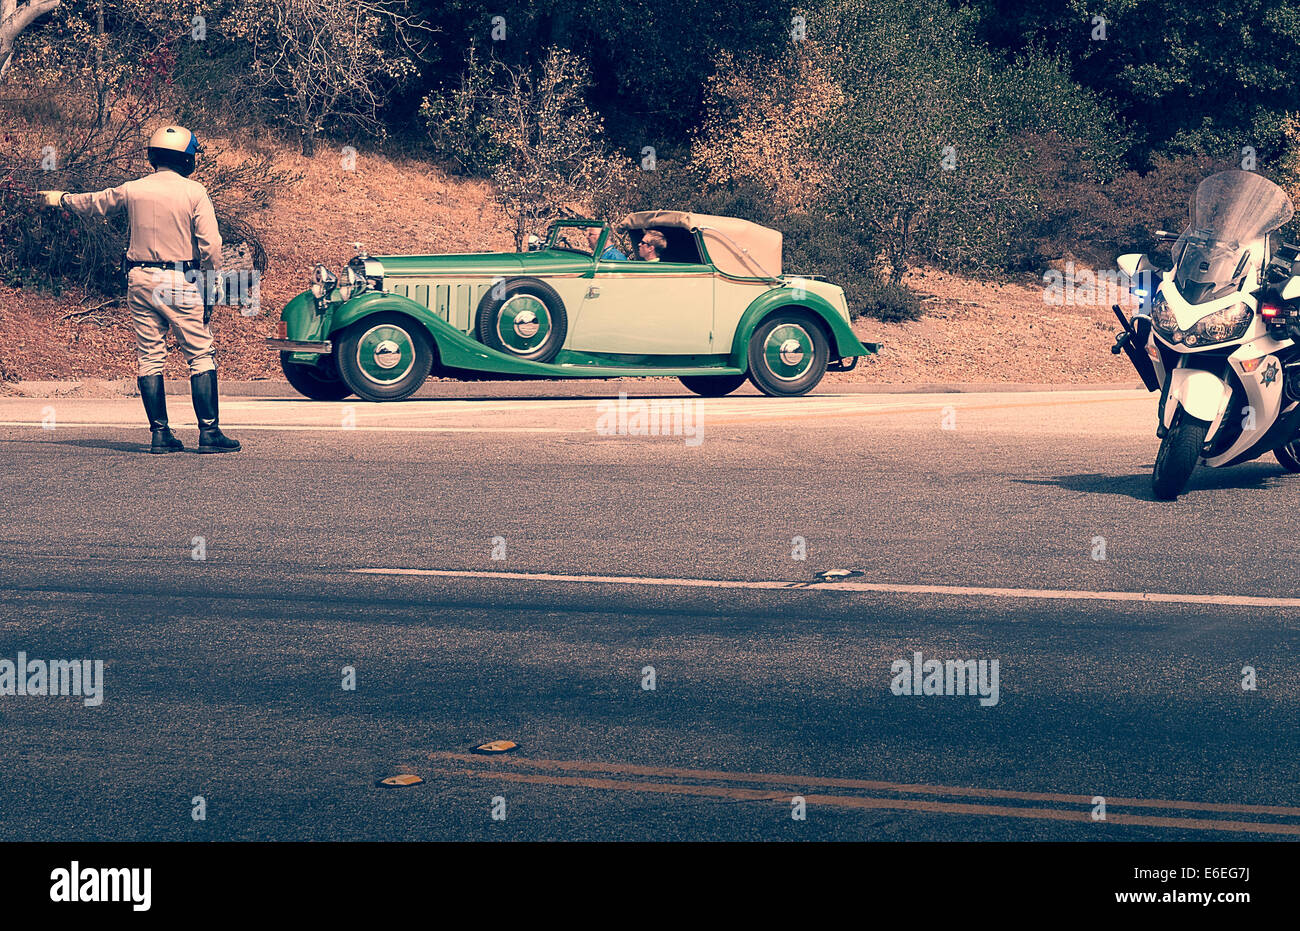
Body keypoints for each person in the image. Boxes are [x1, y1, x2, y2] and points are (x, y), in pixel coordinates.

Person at [36, 125, 240, 454]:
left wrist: (59, 199)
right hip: (180, 280)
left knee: (150, 358)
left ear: (153, 156)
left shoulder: (134, 189)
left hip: (140, 280)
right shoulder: (194, 192)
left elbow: (94, 203)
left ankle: (160, 435)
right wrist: (211, 283)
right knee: (200, 355)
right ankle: (209, 433)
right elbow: (212, 247)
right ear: (187, 159)